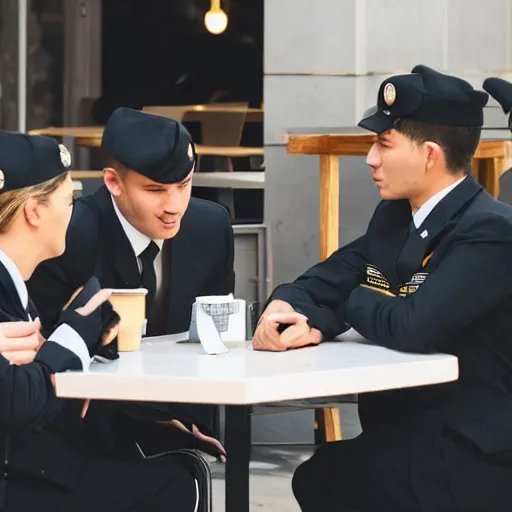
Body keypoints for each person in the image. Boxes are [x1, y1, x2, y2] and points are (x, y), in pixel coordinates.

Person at [254, 65, 512, 511]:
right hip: (409, 434)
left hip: (470, 455)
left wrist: (340, 308)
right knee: (322, 474)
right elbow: (318, 281)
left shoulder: (490, 231)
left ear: (429, 155)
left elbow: (414, 325)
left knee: (323, 478)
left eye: (383, 143)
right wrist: (290, 313)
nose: (371, 158)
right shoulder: (396, 218)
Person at [0, 131, 198, 511]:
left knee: (168, 473)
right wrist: (76, 333)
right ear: (34, 211)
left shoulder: (16, 281)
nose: (75, 212)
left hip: (37, 465)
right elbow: (21, 401)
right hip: (20, 480)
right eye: (69, 200)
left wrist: (83, 337)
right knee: (173, 484)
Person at [28, 107, 234, 458]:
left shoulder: (210, 226)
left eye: (184, 185)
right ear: (113, 182)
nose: (174, 206)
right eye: (155, 190)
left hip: (182, 428)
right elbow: (49, 365)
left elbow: (213, 340)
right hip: (85, 441)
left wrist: (186, 427)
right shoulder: (68, 236)